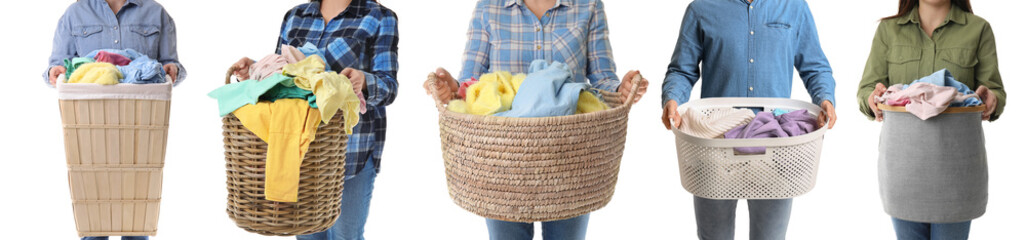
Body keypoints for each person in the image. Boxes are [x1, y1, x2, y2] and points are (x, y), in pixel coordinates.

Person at [423, 0, 648, 239]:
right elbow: (471, 84)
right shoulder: (489, 7)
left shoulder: (588, 6)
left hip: (570, 155)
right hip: (503, 158)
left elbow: (603, 80)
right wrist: (451, 88)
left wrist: (621, 89)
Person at [660, 0, 837, 239]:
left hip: (775, 147)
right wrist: (672, 98)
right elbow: (681, 70)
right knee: (714, 236)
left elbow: (815, 68)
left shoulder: (794, 7)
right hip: (716, 146)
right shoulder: (701, 9)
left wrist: (825, 98)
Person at [230, 0, 398, 239]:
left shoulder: (379, 17)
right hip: (300, 152)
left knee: (346, 237)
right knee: (306, 234)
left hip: (352, 152)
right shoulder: (295, 16)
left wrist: (364, 80)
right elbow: (282, 77)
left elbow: (389, 87)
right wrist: (256, 69)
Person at [857, 0, 1004, 239]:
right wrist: (872, 98)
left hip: (957, 168)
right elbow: (866, 89)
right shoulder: (888, 30)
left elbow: (995, 89)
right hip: (903, 167)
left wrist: (993, 99)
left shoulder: (978, 29)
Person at [45, 0, 185, 239]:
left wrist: (173, 69)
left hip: (141, 125)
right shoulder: (75, 14)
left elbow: (170, 64)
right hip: (88, 126)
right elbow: (58, 65)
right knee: (93, 212)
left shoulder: (156, 13)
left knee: (137, 214)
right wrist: (54, 72)